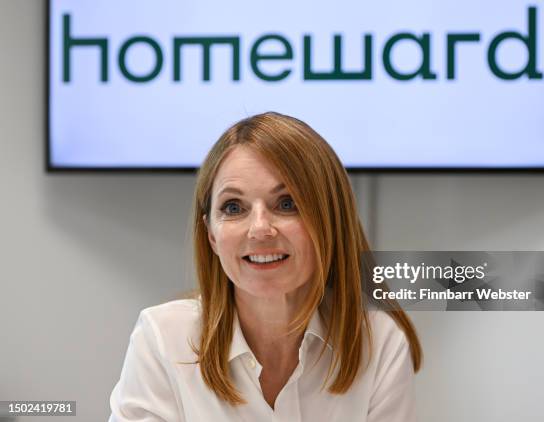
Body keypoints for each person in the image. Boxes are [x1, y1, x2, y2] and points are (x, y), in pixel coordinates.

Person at [109, 112, 422, 421]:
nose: (259, 229)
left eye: (287, 204)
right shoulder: (163, 339)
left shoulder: (379, 342)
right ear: (212, 236)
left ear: (330, 222)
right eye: (234, 207)